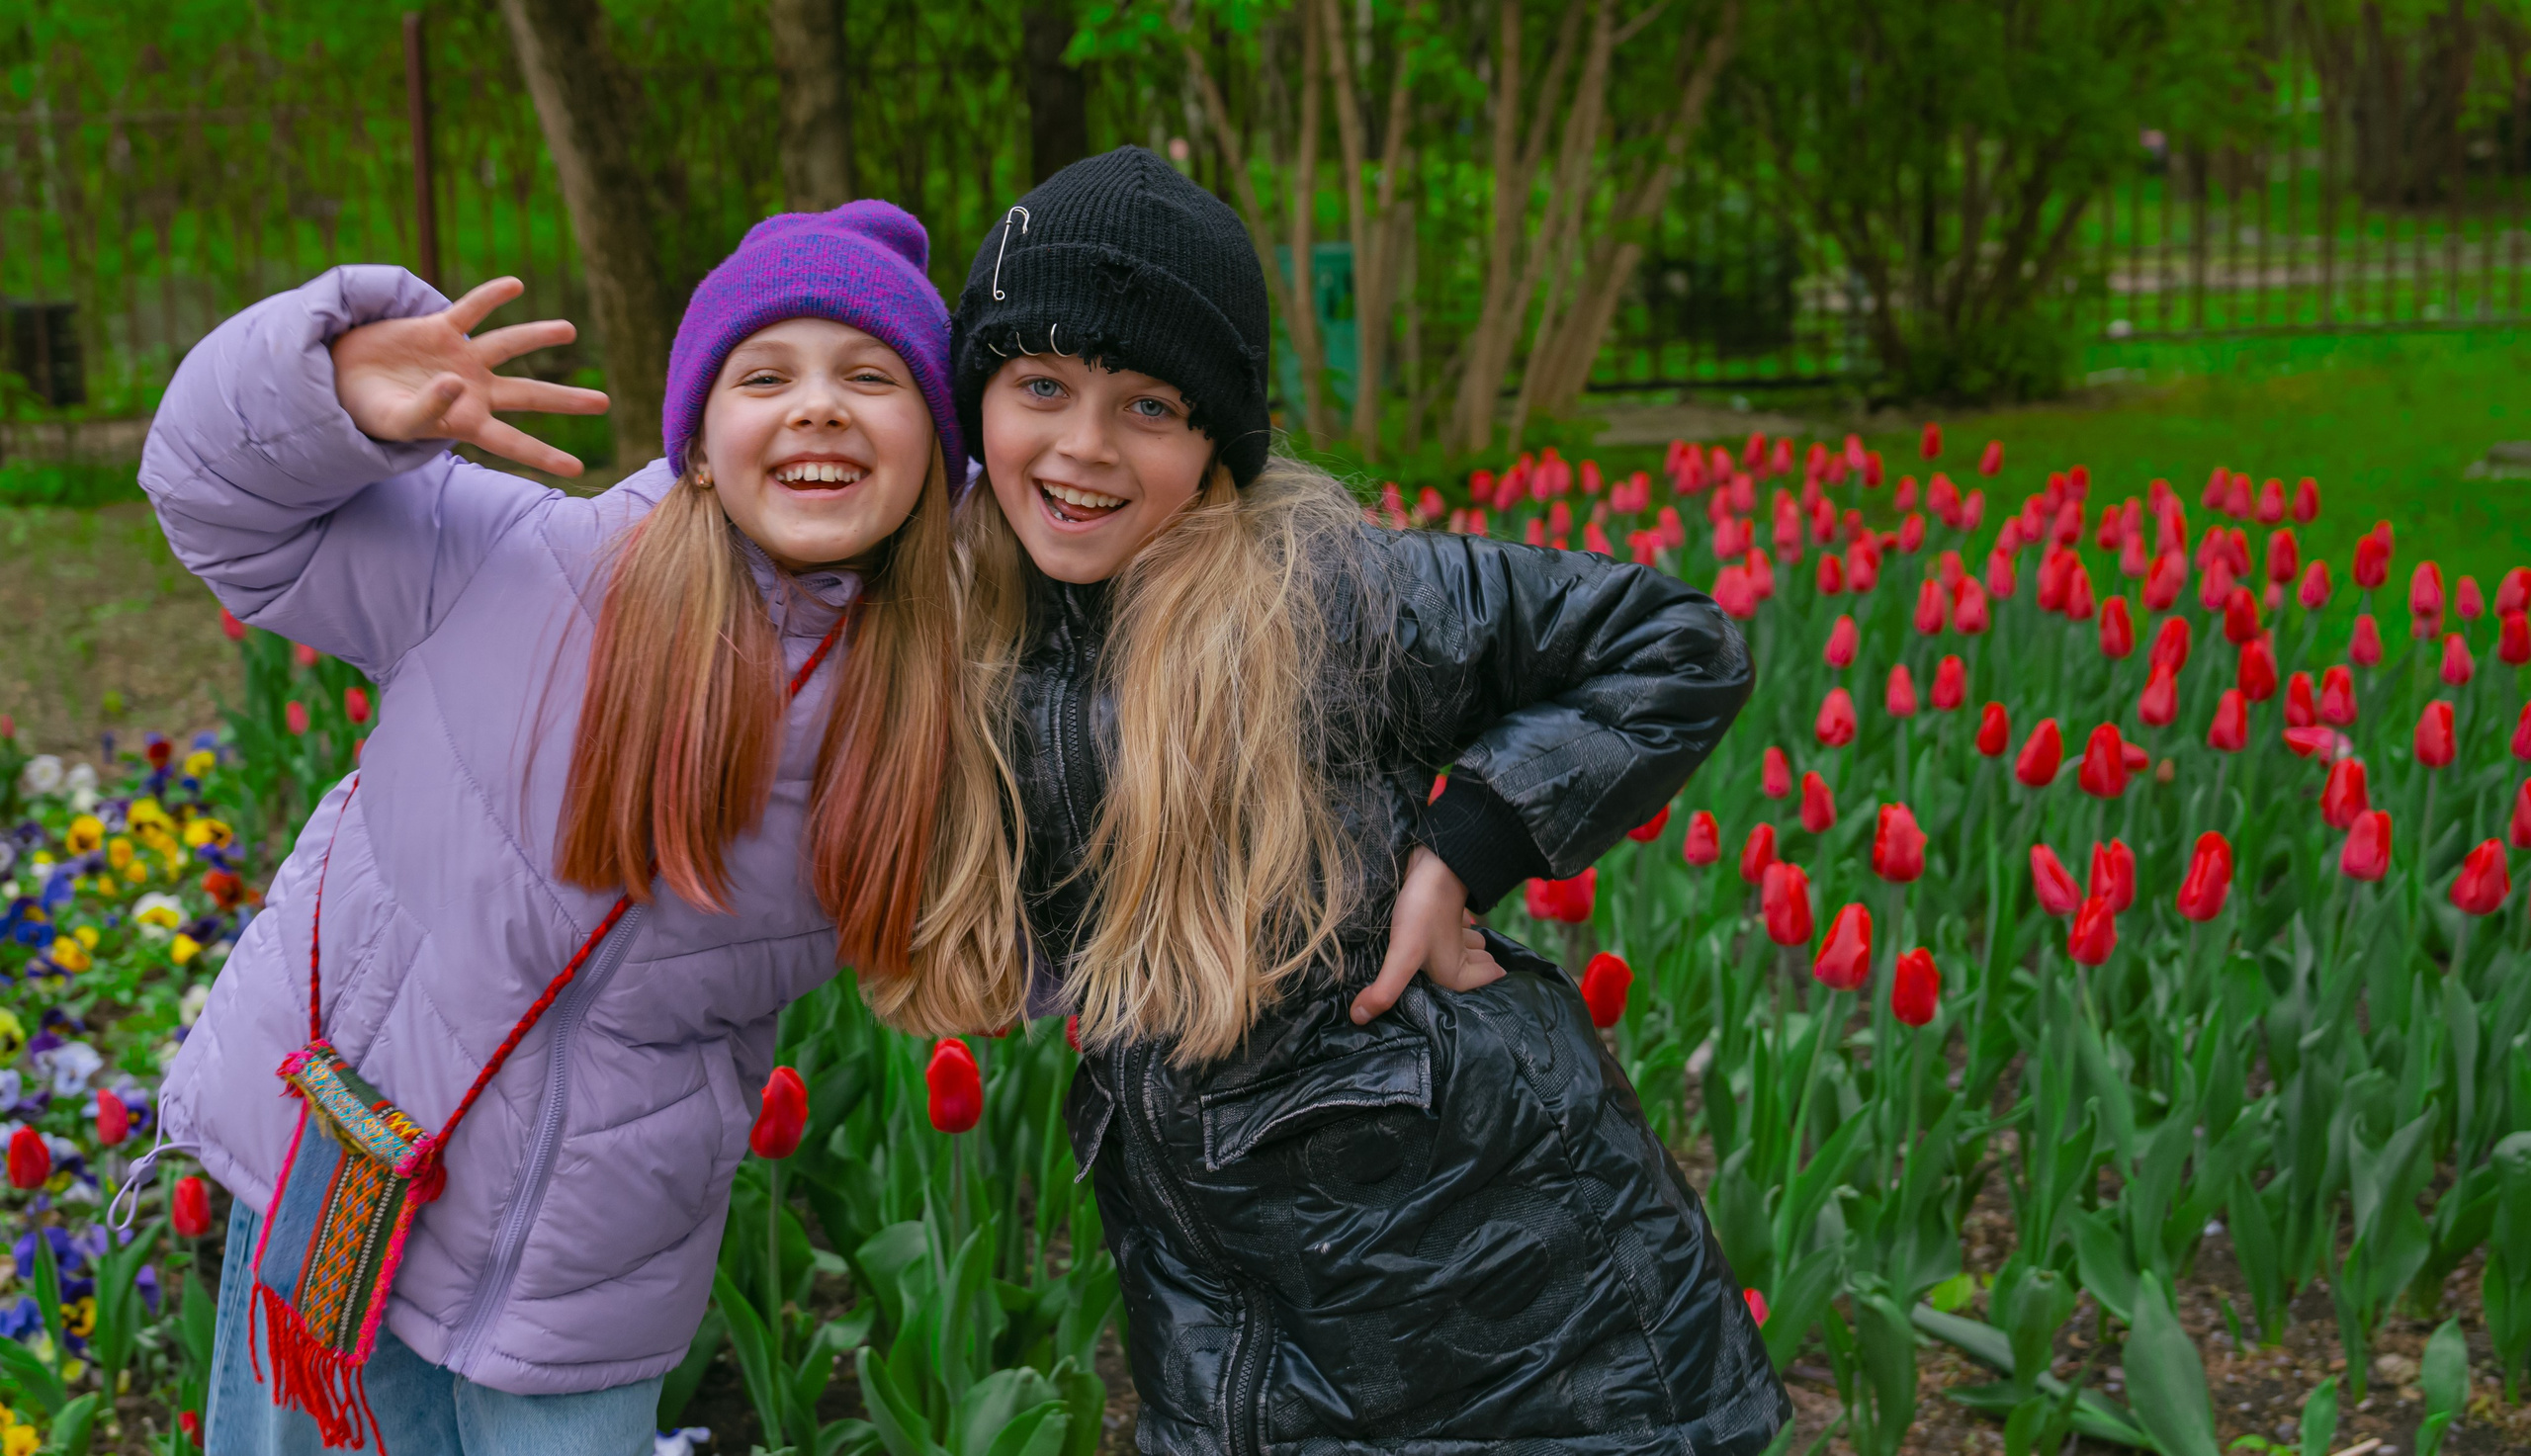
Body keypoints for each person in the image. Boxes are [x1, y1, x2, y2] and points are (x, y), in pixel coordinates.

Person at [877, 146, 1789, 1455]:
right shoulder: (975, 624)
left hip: (1522, 1322)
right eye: (1040, 386)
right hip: (1227, 1324)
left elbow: (1674, 643)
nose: (1081, 446)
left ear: (1218, 444)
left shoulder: (1328, 600)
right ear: (976, 401)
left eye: (1149, 406)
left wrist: (1463, 849)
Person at [138, 201, 963, 1454]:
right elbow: (214, 501)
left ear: (937, 454)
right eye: (764, 374)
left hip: (584, 1265)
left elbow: (1059, 918)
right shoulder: (520, 558)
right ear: (695, 437)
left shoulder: (939, 699)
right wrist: (330, 394)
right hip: (336, 1175)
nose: (818, 406)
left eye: (873, 377)